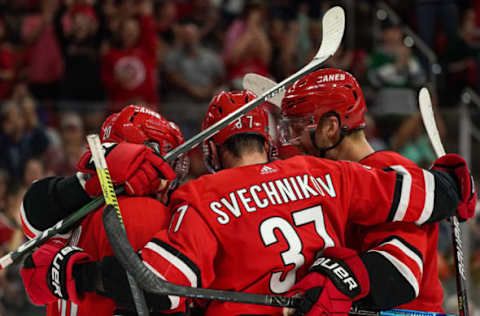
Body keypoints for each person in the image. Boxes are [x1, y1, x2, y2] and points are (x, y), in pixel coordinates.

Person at [21, 90, 474, 316]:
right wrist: (453, 181)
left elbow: (157, 287)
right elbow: (426, 195)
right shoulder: (326, 174)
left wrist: (77, 273)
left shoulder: (196, 198)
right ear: (270, 143)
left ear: (212, 152)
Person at [279, 68, 477, 315]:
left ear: (331, 127)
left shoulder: (388, 171)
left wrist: (339, 282)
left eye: (297, 128)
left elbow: (400, 274)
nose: (291, 141)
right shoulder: (349, 176)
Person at [20, 105, 187, 315]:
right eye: (167, 162)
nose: (170, 178)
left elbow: (34, 274)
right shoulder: (143, 212)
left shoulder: (80, 211)